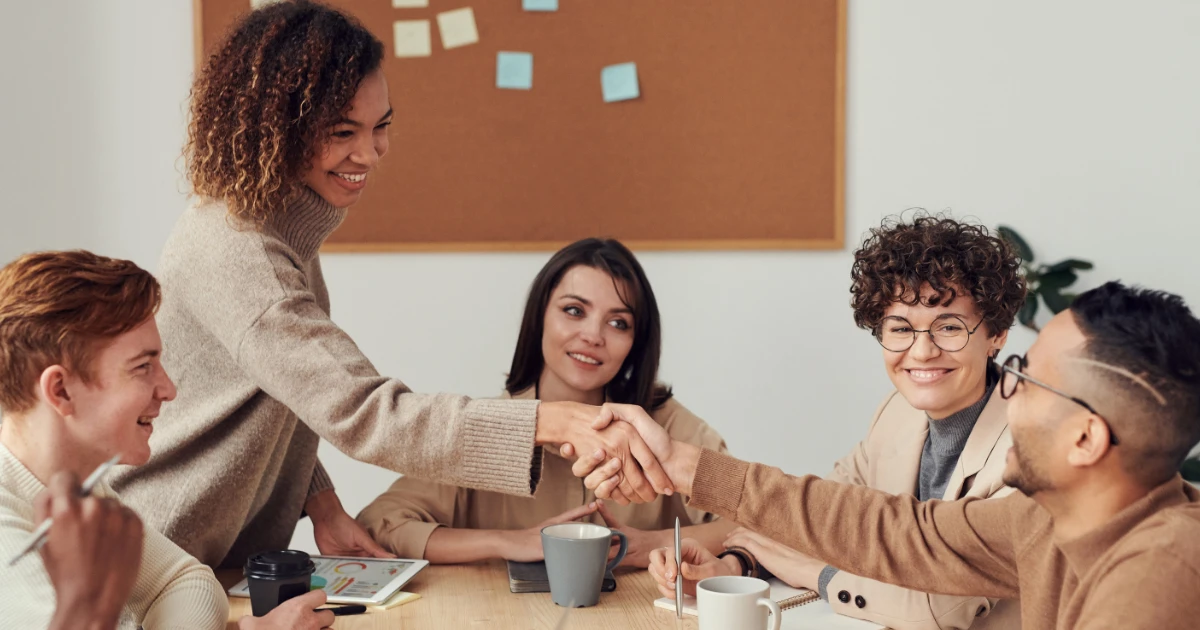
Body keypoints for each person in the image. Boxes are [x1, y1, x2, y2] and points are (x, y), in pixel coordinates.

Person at [109, 1, 668, 570]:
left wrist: (320, 502)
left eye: (381, 127)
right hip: (156, 560)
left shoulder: (275, 229)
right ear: (278, 128)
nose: (369, 153)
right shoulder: (242, 252)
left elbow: (285, 391)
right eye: (343, 131)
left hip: (211, 563)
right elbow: (366, 411)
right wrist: (545, 421)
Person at [586, 281, 1200, 629]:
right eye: (900, 327)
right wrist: (688, 468)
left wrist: (806, 570)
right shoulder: (1044, 520)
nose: (1007, 392)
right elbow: (887, 528)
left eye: (1025, 377)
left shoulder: (1160, 573)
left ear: (1086, 440)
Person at [649, 216, 1026, 629]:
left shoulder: (1028, 447)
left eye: (949, 327)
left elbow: (940, 607)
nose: (921, 352)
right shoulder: (896, 414)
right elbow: (822, 517)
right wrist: (738, 565)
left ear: (998, 334)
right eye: (901, 328)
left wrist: (815, 574)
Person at [0, 251, 332, 629]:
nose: (169, 389)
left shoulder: (81, 490)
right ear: (60, 390)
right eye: (142, 366)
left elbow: (189, 581)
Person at [357, 239, 732, 567]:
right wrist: (510, 541)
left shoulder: (666, 426)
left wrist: (658, 543)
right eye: (574, 311)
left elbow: (759, 523)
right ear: (540, 318)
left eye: (618, 323)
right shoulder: (485, 429)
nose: (593, 336)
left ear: (637, 342)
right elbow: (380, 524)